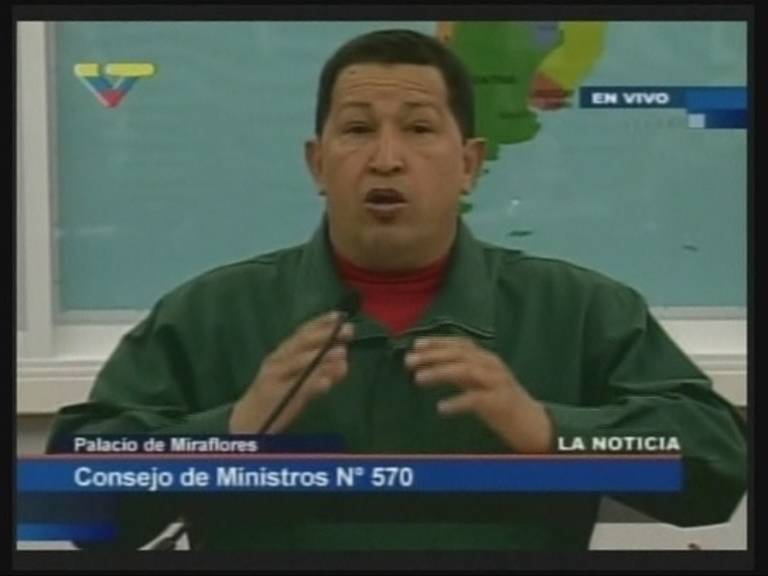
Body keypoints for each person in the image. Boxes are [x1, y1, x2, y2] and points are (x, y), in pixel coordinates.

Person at [47, 29, 747, 551]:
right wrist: (227, 434)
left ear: (469, 163)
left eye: (418, 129)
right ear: (317, 163)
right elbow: (77, 505)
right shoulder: (211, 315)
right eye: (357, 130)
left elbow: (716, 469)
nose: (386, 158)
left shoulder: (579, 310)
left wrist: (552, 433)